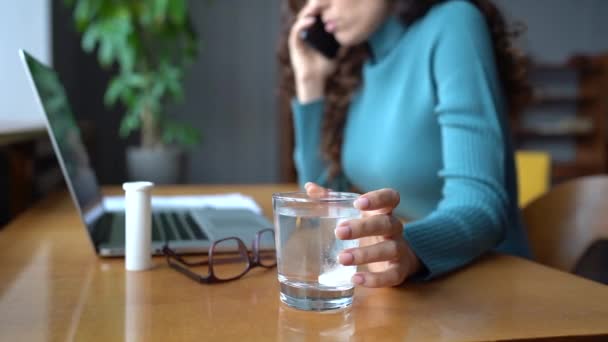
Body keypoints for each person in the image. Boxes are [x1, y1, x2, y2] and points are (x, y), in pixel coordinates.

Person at [277, 0, 532, 287]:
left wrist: (409, 247)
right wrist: (310, 82)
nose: (318, 5)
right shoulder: (357, 64)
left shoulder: (454, 23)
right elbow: (324, 205)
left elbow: (481, 205)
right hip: (413, 286)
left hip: (489, 285)